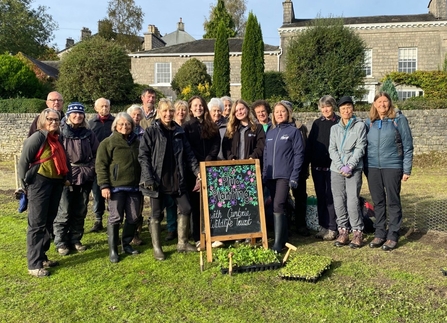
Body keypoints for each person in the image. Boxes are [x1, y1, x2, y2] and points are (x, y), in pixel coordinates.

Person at [139, 99, 201, 260]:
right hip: (157, 180)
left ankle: (182, 243)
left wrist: (197, 172)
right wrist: (148, 177)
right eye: (165, 111)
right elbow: (143, 156)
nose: (168, 114)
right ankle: (157, 248)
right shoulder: (151, 131)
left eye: (171, 111)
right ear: (159, 112)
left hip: (177, 178)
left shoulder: (179, 131)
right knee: (156, 214)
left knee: (186, 208)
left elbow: (189, 155)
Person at [18, 108, 71, 277]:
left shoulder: (56, 138)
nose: (54, 122)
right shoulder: (37, 137)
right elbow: (23, 162)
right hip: (39, 183)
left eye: (57, 119)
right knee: (37, 224)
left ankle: (42, 257)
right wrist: (24, 186)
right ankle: (34, 265)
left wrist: (66, 176)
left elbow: (63, 158)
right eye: (50, 119)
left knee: (48, 221)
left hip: (55, 182)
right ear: (43, 120)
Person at [365, 92, 414, 251]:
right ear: (374, 104)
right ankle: (380, 233)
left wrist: (406, 169)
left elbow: (407, 146)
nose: (382, 105)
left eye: (385, 101)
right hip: (372, 167)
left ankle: (393, 234)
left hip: (393, 166)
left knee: (393, 201)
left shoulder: (399, 120)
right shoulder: (369, 122)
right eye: (379, 102)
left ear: (390, 103)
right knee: (378, 201)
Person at [53, 103, 99, 256]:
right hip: (67, 175)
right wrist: (64, 173)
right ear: (68, 115)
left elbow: (96, 153)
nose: (78, 116)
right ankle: (61, 241)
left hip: (85, 175)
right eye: (75, 113)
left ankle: (75, 239)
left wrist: (91, 169)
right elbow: (57, 155)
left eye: (81, 114)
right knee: (65, 210)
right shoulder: (61, 133)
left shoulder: (88, 133)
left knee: (80, 210)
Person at [95, 112, 142, 263]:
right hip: (115, 187)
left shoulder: (137, 142)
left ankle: (126, 244)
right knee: (116, 217)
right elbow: (101, 166)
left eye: (127, 124)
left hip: (134, 187)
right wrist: (104, 186)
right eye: (121, 124)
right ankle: (113, 249)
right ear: (115, 126)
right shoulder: (107, 143)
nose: (124, 127)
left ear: (132, 126)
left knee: (134, 216)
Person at [263, 101, 304, 252]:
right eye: (277, 112)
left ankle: (278, 243)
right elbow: (266, 155)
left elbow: (299, 154)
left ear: (288, 113)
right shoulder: (271, 132)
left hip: (285, 175)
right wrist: (264, 174)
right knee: (280, 204)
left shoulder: (293, 132)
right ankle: (284, 236)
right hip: (271, 176)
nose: (279, 114)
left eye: (282, 111)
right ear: (273, 115)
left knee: (278, 205)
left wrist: (294, 176)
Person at [329, 96, 367, 248]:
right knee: (338, 200)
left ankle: (357, 232)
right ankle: (343, 231)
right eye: (343, 108)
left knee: (352, 201)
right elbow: (332, 149)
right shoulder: (335, 128)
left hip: (354, 168)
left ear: (353, 109)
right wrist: (340, 166)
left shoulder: (360, 126)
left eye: (348, 107)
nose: (346, 111)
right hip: (336, 169)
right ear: (339, 110)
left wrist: (350, 165)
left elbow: (360, 147)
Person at [183, 95, 220, 248]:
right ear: (191, 108)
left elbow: (216, 145)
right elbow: (187, 149)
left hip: (209, 167)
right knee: (196, 205)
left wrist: (208, 160)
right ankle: (198, 237)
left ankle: (212, 234)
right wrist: (198, 168)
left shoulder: (211, 125)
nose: (198, 108)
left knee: (210, 204)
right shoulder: (186, 127)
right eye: (195, 105)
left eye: (200, 105)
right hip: (193, 172)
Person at [307, 95, 340, 240]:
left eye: (328, 106)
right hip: (317, 167)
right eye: (323, 107)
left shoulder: (339, 122)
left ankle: (333, 227)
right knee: (321, 196)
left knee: (331, 198)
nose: (325, 109)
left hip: (333, 167)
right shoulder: (317, 123)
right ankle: (323, 226)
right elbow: (310, 145)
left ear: (333, 106)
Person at [88, 98, 115, 233]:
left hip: (113, 163)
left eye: (107, 106)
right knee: (97, 193)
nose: (105, 108)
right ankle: (98, 219)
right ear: (96, 108)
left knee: (112, 193)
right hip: (96, 164)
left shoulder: (115, 122)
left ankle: (113, 218)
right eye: (102, 106)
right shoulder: (91, 124)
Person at [126, 104, 146, 245]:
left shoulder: (144, 133)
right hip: (124, 175)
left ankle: (136, 232)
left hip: (139, 174)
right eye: (134, 115)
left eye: (139, 115)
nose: (136, 117)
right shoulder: (121, 131)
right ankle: (126, 235)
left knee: (138, 205)